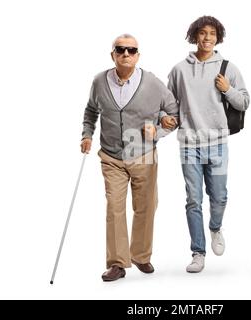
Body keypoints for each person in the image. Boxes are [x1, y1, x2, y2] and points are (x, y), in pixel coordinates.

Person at [81, 34, 178, 281]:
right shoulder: (99, 82)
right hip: (111, 156)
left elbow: (174, 113)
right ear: (112, 54)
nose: (126, 54)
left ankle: (141, 256)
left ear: (138, 55)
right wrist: (87, 135)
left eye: (131, 50)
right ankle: (117, 263)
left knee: (146, 206)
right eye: (120, 49)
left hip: (143, 154)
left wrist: (159, 129)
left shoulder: (153, 83)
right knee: (114, 207)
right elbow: (91, 111)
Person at [162, 16, 250, 273]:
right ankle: (198, 252)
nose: (207, 38)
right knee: (193, 200)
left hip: (219, 144)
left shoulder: (228, 68)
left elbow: (243, 102)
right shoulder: (179, 70)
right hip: (189, 145)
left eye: (212, 33)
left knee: (220, 197)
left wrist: (228, 89)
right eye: (202, 33)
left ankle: (215, 229)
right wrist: (165, 120)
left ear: (218, 37)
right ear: (194, 36)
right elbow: (170, 106)